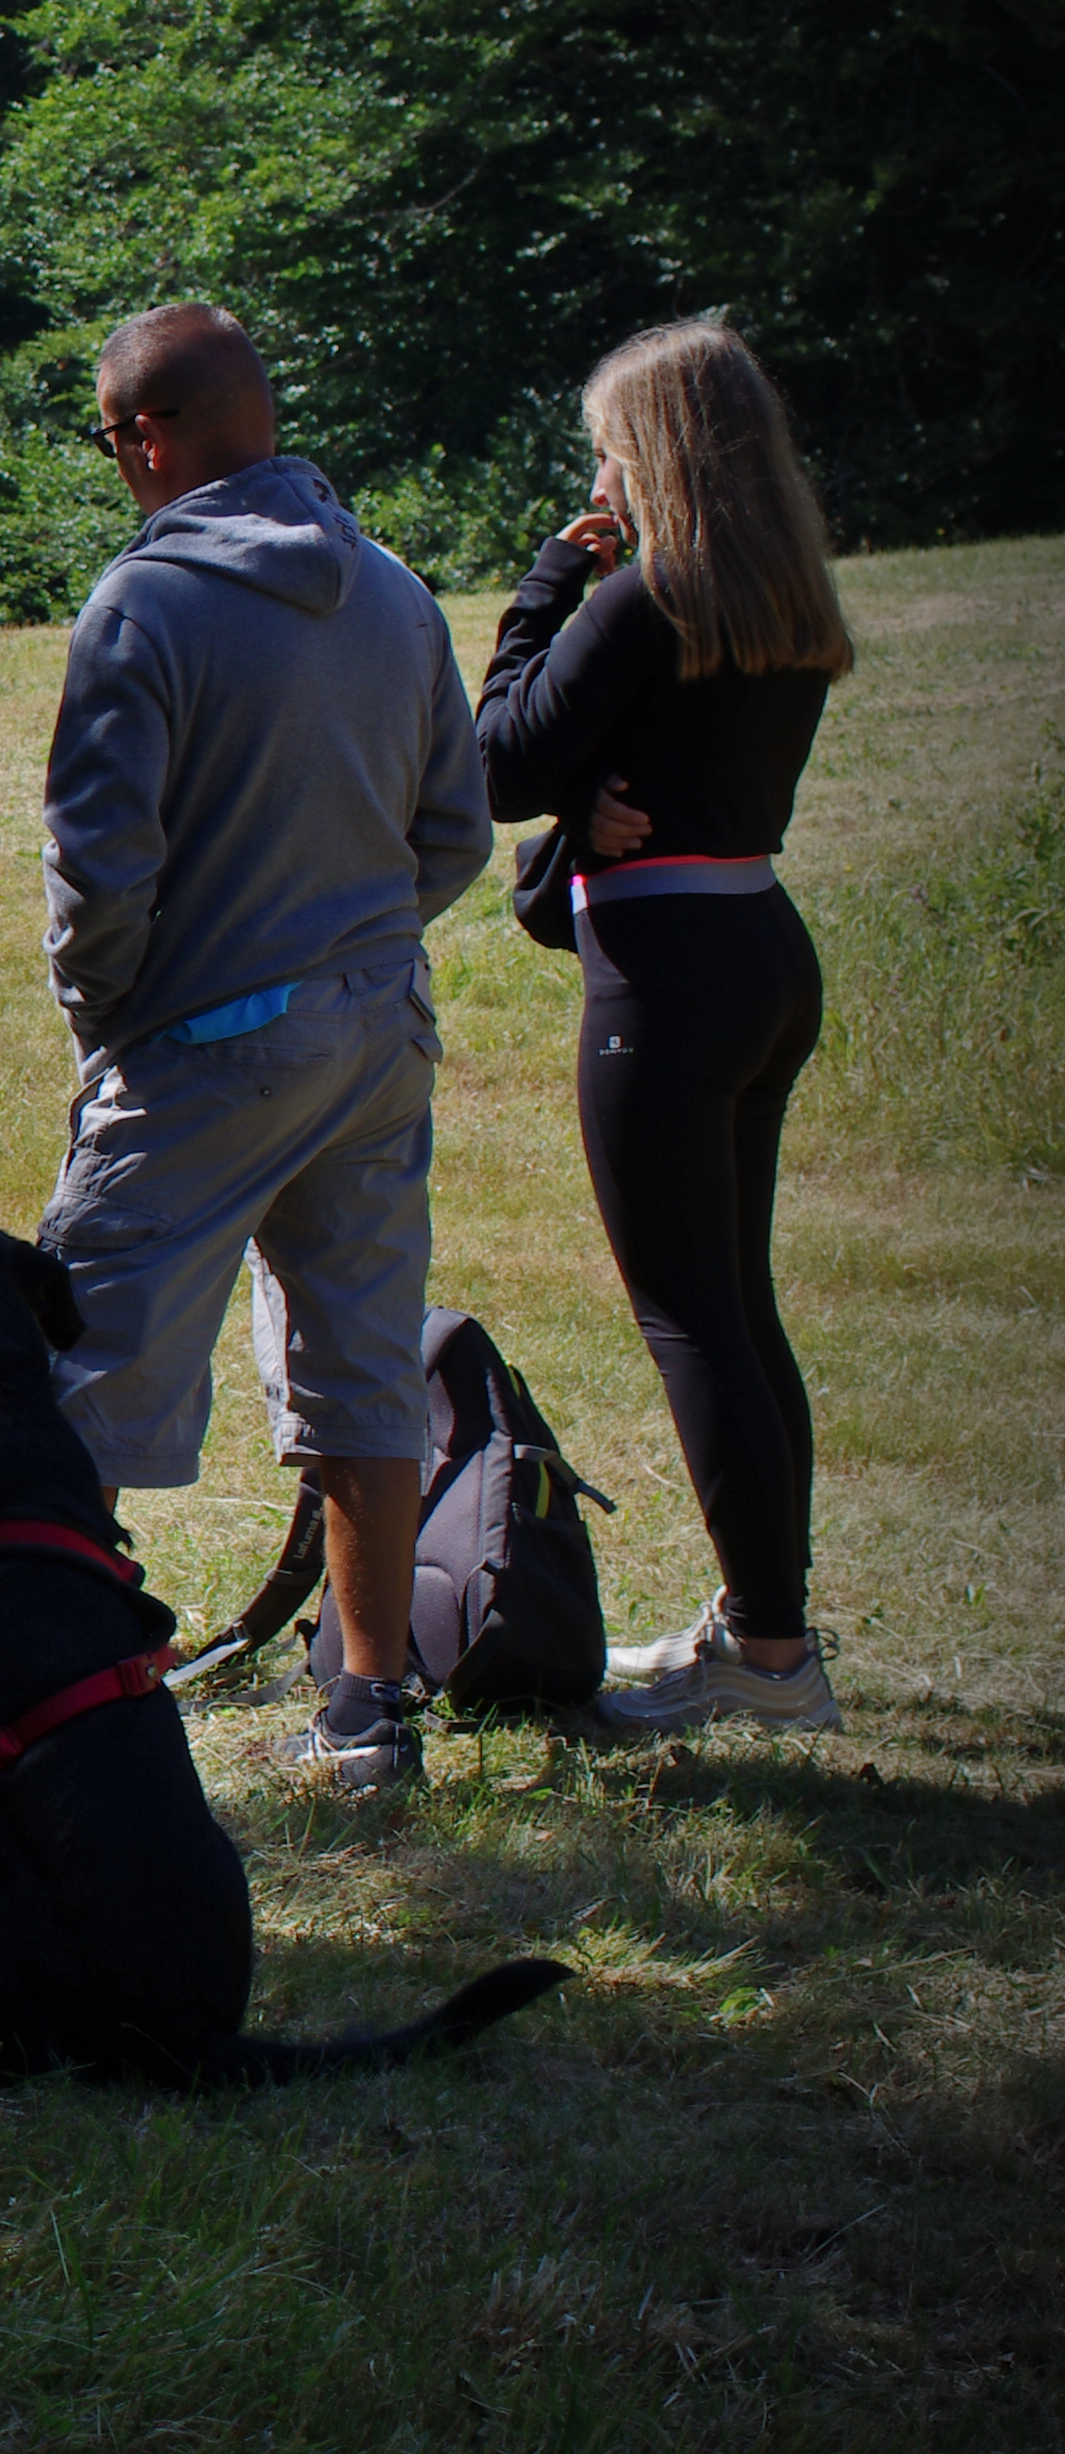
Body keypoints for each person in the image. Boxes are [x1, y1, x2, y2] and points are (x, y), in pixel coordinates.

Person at [39, 301, 492, 1794]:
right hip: (379, 1031)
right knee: (364, 1370)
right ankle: (374, 1714)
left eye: (114, 442)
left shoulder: (143, 609)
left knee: (83, 1367)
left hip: (201, 1047)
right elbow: (455, 833)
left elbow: (102, 874)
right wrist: (350, 943)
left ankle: (61, 1699)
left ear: (149, 437)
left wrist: (110, 1013)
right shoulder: (396, 594)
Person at [475, 316, 859, 1742]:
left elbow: (501, 760)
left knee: (690, 1318)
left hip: (668, 980)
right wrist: (591, 811)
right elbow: (633, 781)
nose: (595, 473)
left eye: (605, 447)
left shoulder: (646, 601)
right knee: (741, 1311)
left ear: (653, 455)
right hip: (760, 944)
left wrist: (549, 576)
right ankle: (770, 1620)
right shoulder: (787, 610)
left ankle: (766, 1656)